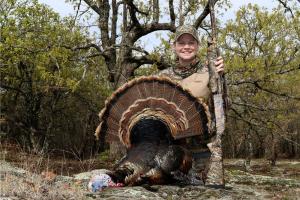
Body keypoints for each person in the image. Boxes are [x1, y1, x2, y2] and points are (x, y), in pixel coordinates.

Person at [158, 24, 225, 183]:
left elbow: (224, 107)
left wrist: (221, 78)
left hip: (202, 153)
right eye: (181, 43)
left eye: (191, 42)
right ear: (174, 46)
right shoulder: (162, 77)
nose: (186, 47)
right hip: (171, 154)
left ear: (198, 46)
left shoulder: (211, 71)